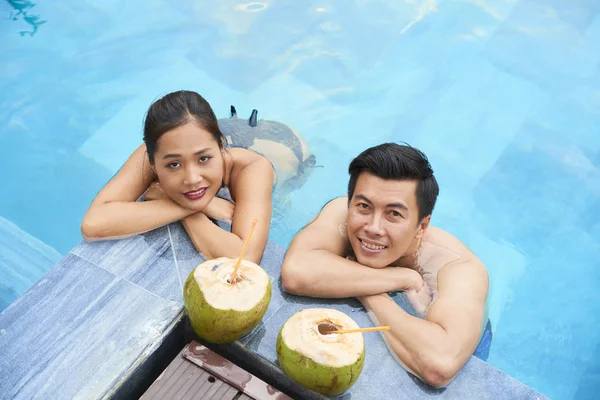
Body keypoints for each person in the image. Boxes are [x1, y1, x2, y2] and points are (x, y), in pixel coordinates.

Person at [281, 143, 490, 387]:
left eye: (393, 214)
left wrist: (370, 294)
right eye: (364, 206)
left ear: (422, 226)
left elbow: (439, 364)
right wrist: (402, 278)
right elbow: (296, 271)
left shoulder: (458, 268)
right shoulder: (341, 212)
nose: (373, 228)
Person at [81, 90, 274, 263]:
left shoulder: (252, 167)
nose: (191, 178)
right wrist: (194, 208)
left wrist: (167, 196)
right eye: (174, 164)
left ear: (221, 147)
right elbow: (93, 223)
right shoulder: (162, 147)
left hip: (271, 142)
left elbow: (245, 259)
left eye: (204, 159)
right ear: (153, 163)